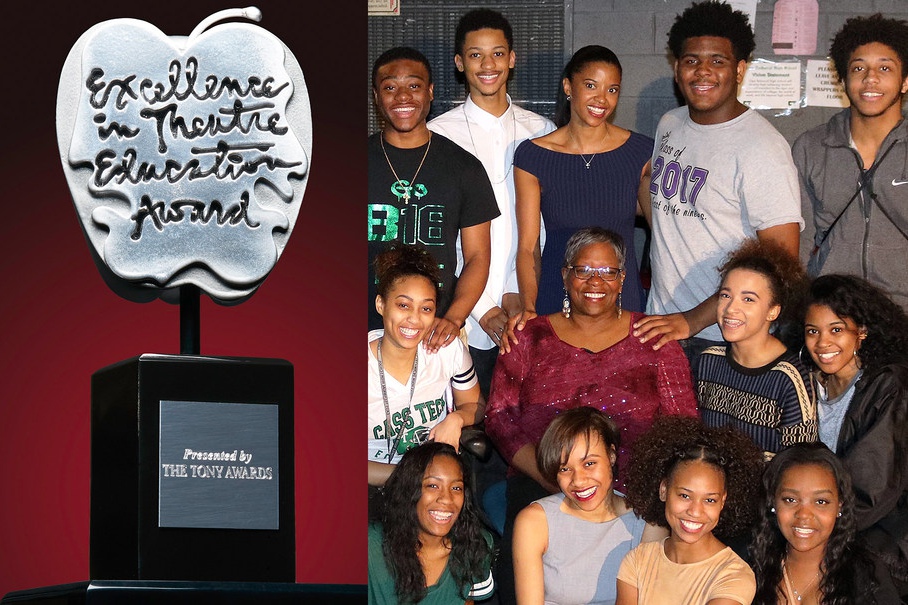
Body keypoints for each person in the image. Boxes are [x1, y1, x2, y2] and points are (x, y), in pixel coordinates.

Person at [486, 228, 697, 605]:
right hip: (542, 482)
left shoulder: (655, 339)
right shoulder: (528, 337)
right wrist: (556, 478)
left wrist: (645, 496)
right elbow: (500, 420)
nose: (595, 281)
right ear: (565, 276)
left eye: (607, 271)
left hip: (637, 497)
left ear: (622, 279)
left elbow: (683, 429)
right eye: (583, 270)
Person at [633, 0, 803, 372]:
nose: (703, 71)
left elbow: (781, 261)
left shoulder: (762, 147)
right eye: (692, 60)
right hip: (663, 326)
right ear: (677, 68)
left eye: (717, 61)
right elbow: (661, 210)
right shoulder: (670, 124)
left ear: (740, 69)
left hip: (723, 339)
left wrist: (693, 319)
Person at [428, 9, 555, 395]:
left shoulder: (542, 131)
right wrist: (482, 309)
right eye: (476, 55)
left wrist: (519, 293)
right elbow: (439, 237)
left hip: (528, 307)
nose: (488, 65)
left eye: (498, 54)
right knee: (463, 431)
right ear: (459, 62)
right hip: (461, 316)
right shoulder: (437, 135)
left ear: (512, 59)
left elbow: (545, 228)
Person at [509, 45, 653, 331]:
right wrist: (528, 306)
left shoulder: (641, 152)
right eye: (591, 85)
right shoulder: (533, 156)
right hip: (556, 297)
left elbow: (663, 236)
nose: (602, 99)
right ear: (568, 86)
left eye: (612, 90)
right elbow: (528, 248)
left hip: (621, 301)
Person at [368, 46, 500, 353]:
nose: (403, 97)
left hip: (435, 334)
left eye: (413, 86)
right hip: (363, 331)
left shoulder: (464, 167)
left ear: (430, 92)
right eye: (390, 87)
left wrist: (453, 318)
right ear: (376, 96)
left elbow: (478, 257)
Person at [801, 274, 908, 597]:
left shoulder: (888, 386)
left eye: (836, 330)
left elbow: (871, 489)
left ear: (861, 332)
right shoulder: (804, 382)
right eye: (812, 331)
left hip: (880, 534)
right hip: (818, 519)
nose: (823, 344)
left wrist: (811, 530)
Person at [794, 14, 908, 314]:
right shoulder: (811, 147)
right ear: (842, 80)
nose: (871, 78)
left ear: (905, 81)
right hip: (830, 317)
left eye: (885, 68)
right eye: (859, 68)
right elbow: (801, 243)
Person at [512, 407, 666, 605]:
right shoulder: (535, 521)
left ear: (611, 455)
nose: (578, 481)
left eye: (589, 464)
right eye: (565, 469)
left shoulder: (647, 522)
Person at [369, 244, 485, 488]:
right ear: (381, 304)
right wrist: (413, 477)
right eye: (403, 305)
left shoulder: (445, 349)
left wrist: (457, 419)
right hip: (373, 486)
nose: (414, 318)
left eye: (426, 308)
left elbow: (476, 405)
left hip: (434, 485)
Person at [616, 415, 764, 605]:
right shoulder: (638, 560)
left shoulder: (733, 575)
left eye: (710, 500)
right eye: (685, 496)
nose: (695, 511)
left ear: (723, 501)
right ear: (663, 490)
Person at [697, 238, 817, 459]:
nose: (732, 308)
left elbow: (800, 464)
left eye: (748, 299)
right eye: (726, 295)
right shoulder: (708, 360)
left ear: (773, 311)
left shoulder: (788, 377)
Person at [751, 442, 899, 604]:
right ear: (773, 502)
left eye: (821, 501)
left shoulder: (866, 574)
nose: (804, 515)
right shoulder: (750, 566)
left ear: (839, 505)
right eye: (790, 499)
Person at [368, 442, 495, 605]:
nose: (446, 498)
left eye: (456, 488)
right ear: (409, 491)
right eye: (433, 486)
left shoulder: (476, 545)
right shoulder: (370, 548)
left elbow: (468, 601)